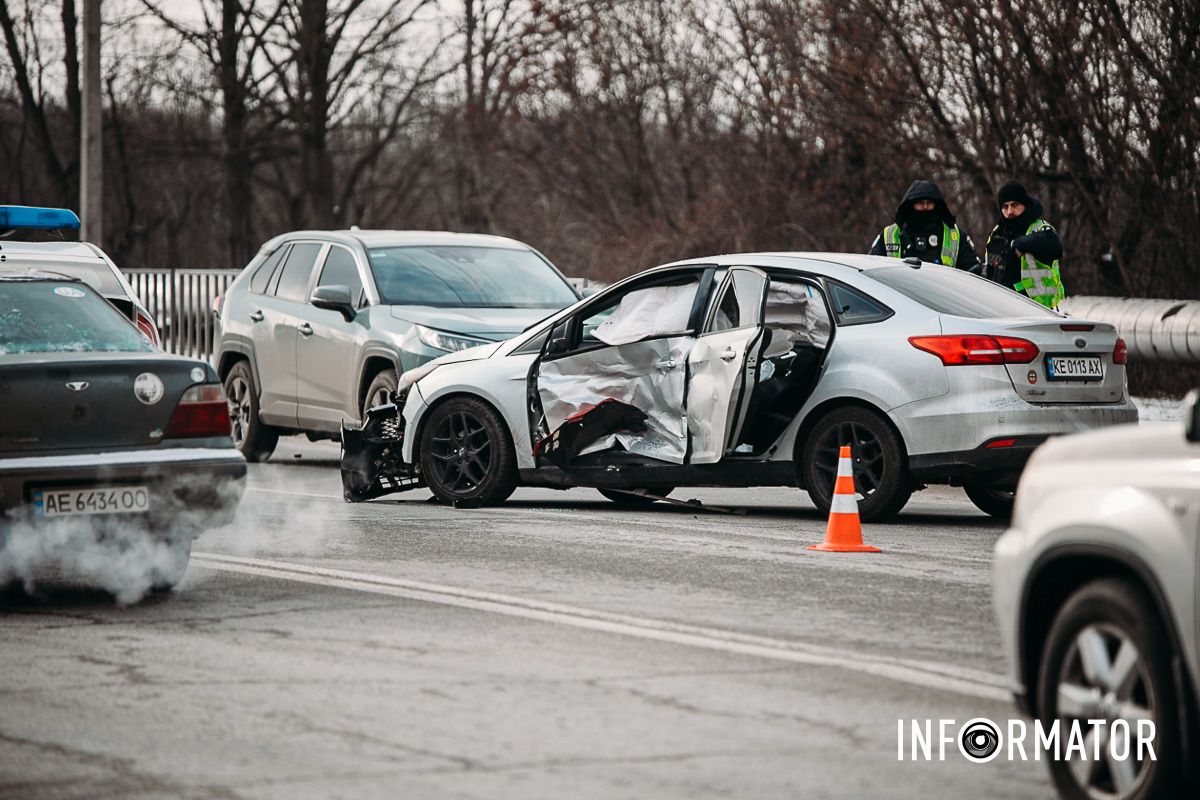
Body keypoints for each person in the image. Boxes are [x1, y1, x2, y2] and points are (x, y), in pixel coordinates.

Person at [983, 180, 1064, 308]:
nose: (1009, 211)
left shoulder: (1039, 228)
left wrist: (1019, 244)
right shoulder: (997, 233)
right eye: (1005, 207)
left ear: (1025, 205)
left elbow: (1055, 246)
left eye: (1014, 205)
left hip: (1036, 308)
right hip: (999, 307)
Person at [869, 180, 981, 270]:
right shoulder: (889, 234)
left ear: (937, 205)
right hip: (897, 290)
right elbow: (872, 268)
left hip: (942, 290)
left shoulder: (954, 236)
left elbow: (973, 271)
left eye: (929, 203)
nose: (925, 207)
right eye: (920, 203)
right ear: (910, 205)